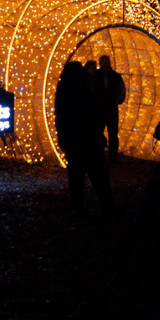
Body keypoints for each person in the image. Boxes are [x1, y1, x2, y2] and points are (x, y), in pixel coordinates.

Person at [55, 61, 115, 217]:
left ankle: (78, 207)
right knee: (98, 173)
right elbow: (91, 113)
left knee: (76, 174)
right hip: (87, 138)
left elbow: (61, 117)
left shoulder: (62, 89)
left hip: (70, 139)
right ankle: (107, 205)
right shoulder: (81, 89)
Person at [94, 54, 126, 162]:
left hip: (111, 108)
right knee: (98, 132)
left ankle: (113, 156)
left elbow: (122, 90)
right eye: (103, 64)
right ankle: (98, 155)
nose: (105, 65)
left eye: (107, 63)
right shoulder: (96, 76)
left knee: (112, 133)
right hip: (99, 109)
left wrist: (116, 102)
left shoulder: (116, 76)